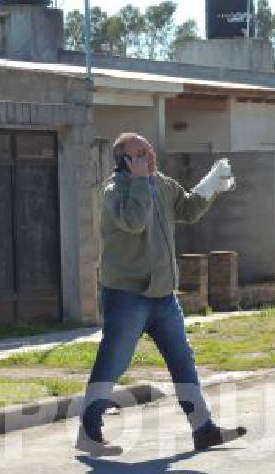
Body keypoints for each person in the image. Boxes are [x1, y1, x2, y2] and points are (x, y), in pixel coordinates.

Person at [76, 132, 247, 456]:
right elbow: (134, 222)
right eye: (139, 154)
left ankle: (203, 429)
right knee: (113, 362)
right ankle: (89, 434)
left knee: (183, 362)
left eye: (148, 149)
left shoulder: (163, 184)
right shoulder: (113, 192)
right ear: (125, 162)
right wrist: (141, 182)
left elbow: (188, 210)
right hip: (128, 294)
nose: (149, 156)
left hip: (163, 295)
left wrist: (212, 184)